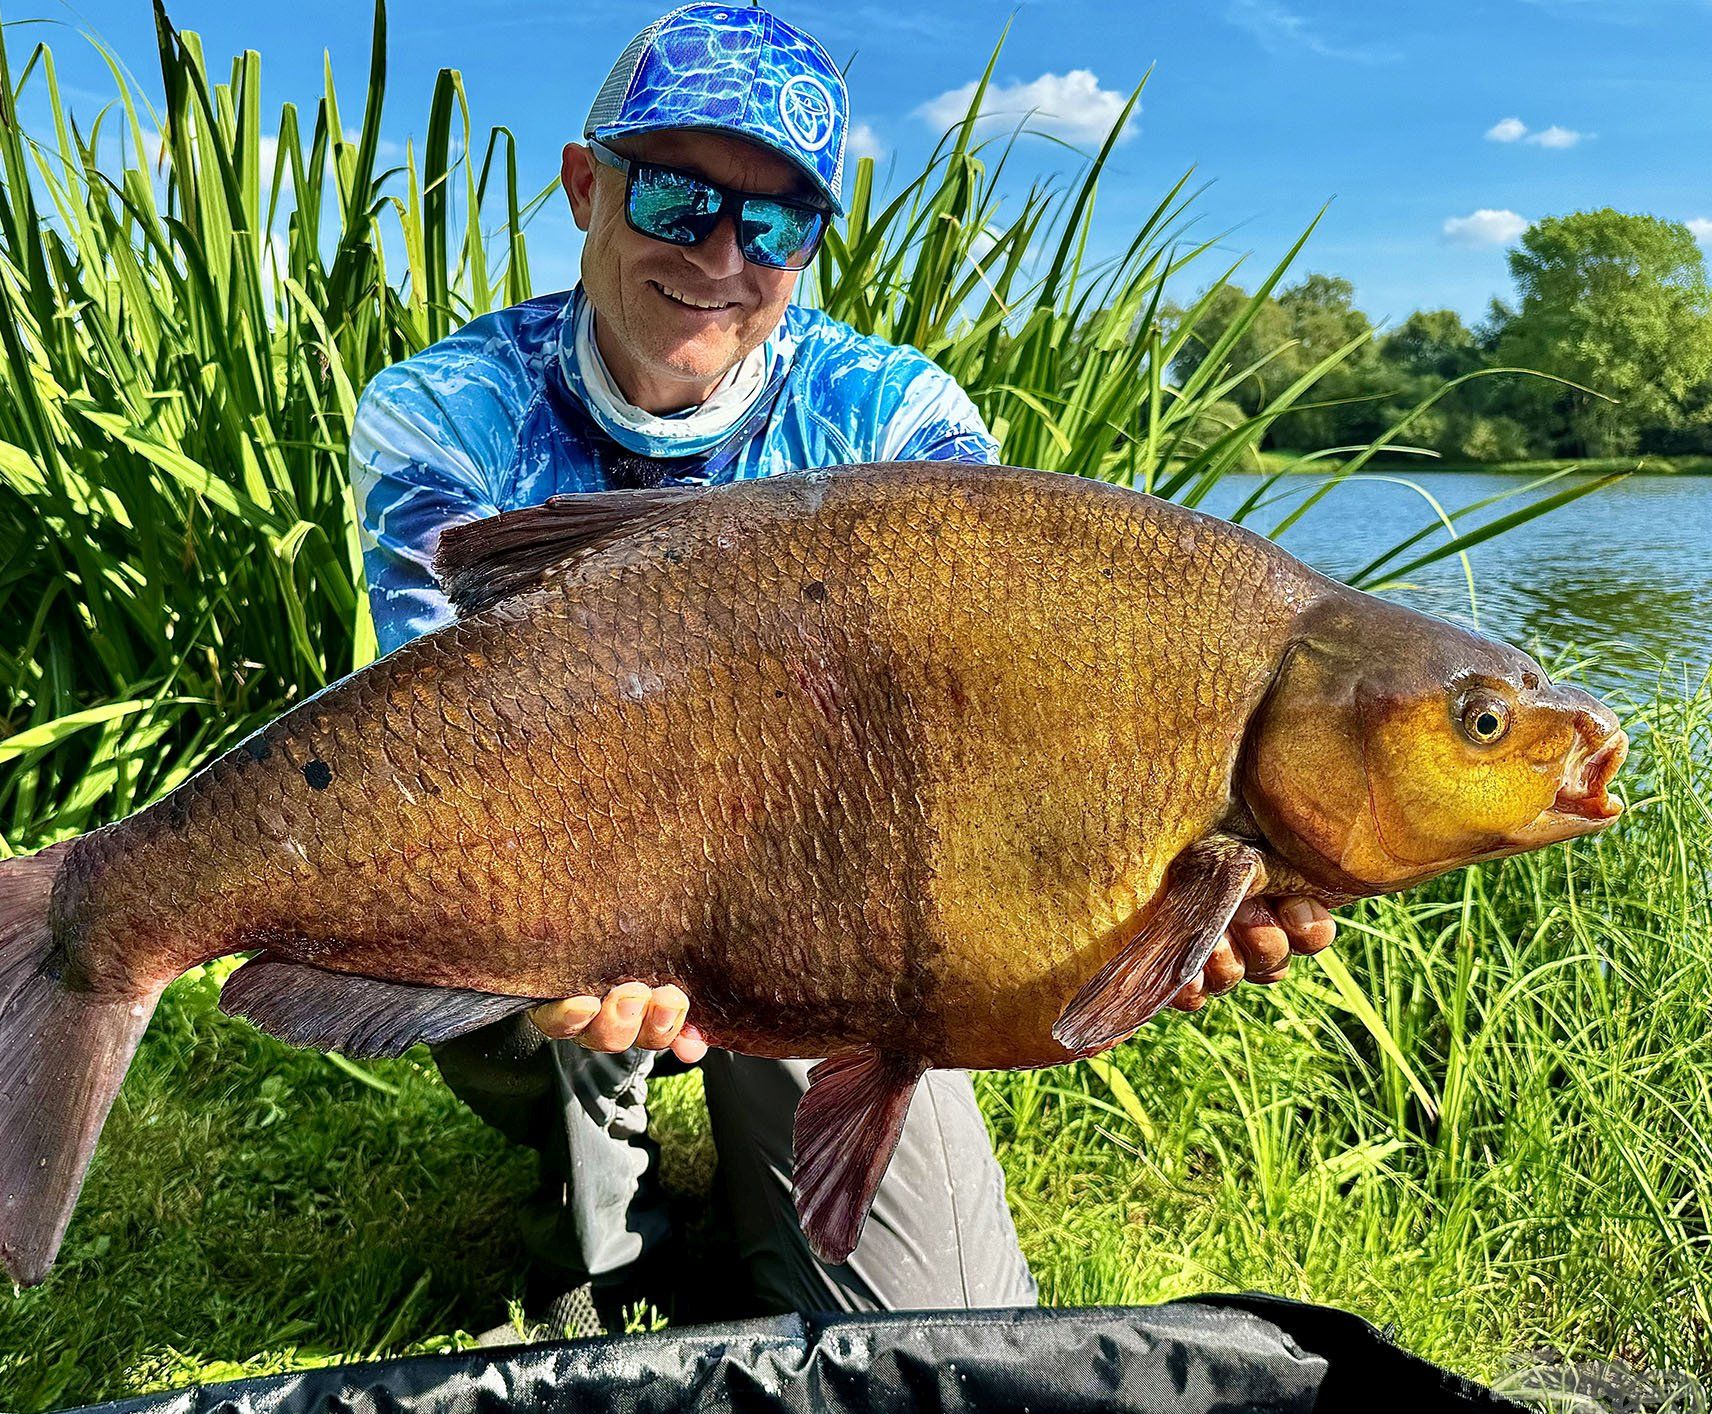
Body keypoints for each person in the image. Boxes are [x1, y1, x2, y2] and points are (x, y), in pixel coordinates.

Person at [347, 1, 1336, 1333]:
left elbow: (997, 750)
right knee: (459, 905)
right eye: (678, 197)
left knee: (946, 1343)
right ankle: (597, 1210)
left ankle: (778, 1180)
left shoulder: (901, 421)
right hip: (563, 842)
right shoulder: (445, 412)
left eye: (775, 223)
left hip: (842, 899)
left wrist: (1158, 907)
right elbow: (431, 755)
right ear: (586, 187)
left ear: (811, 242)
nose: (720, 255)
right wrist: (569, 936)